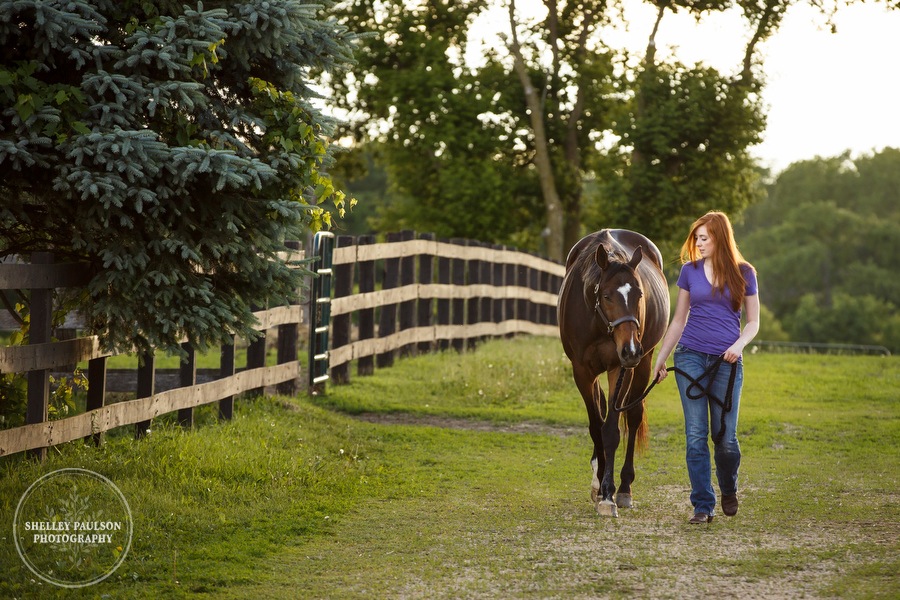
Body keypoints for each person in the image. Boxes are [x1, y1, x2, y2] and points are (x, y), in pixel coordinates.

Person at [653, 211, 760, 524]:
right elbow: (678, 320)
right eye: (696, 238)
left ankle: (728, 487)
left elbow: (753, 322)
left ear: (720, 238)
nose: (698, 243)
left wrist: (738, 346)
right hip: (690, 356)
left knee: (724, 437)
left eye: (704, 238)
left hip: (727, 361)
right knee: (696, 434)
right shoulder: (689, 271)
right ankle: (703, 505)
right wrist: (661, 358)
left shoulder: (745, 272)